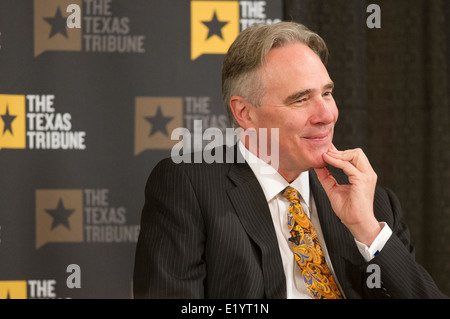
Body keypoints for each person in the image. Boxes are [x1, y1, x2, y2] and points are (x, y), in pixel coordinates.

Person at [133, 21, 446, 299]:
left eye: (327, 93)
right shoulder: (190, 187)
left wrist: (368, 231)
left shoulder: (372, 204)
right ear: (245, 113)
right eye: (301, 99)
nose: (327, 114)